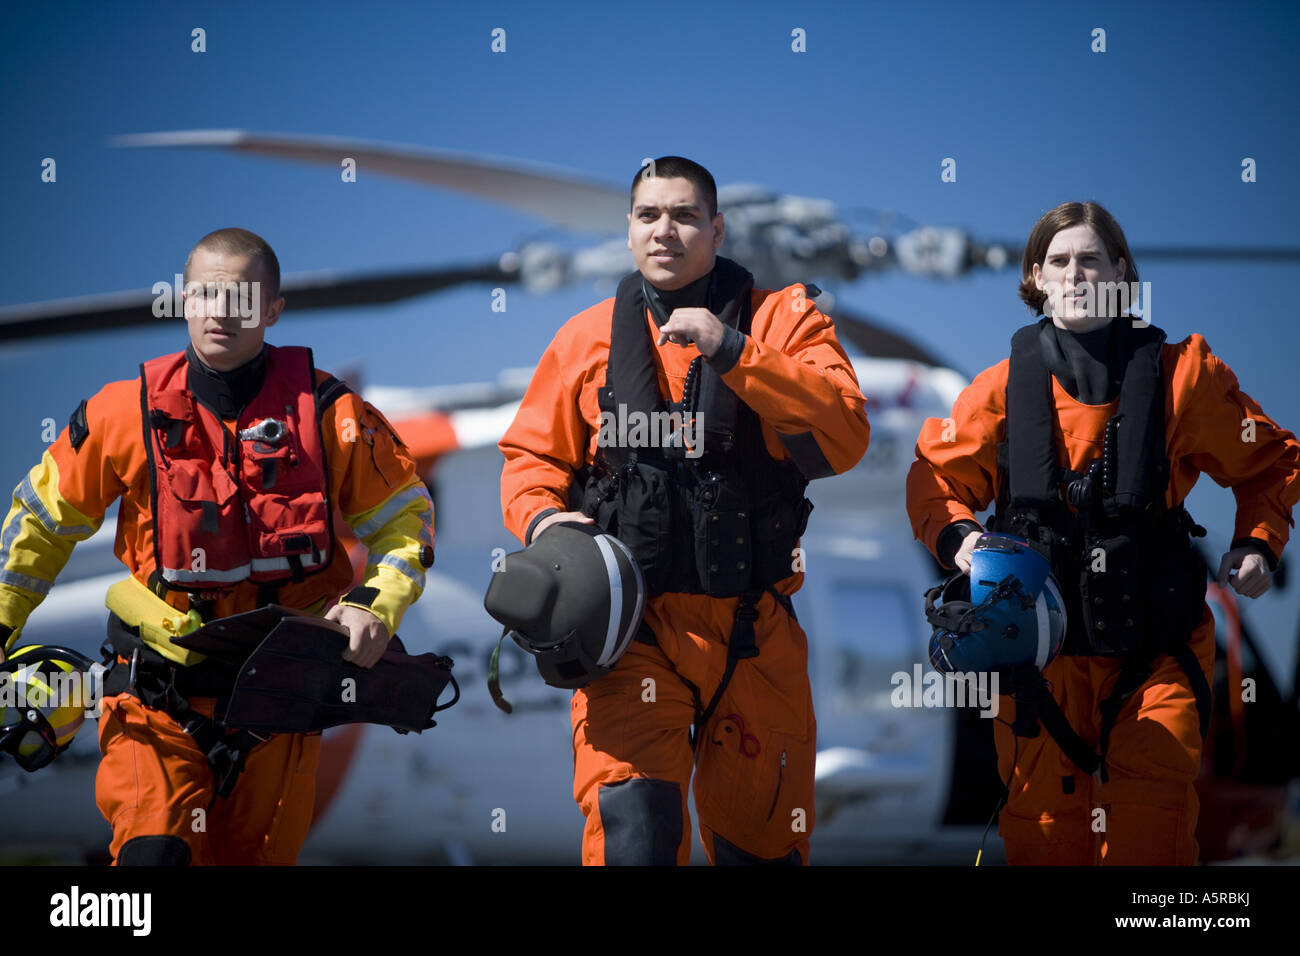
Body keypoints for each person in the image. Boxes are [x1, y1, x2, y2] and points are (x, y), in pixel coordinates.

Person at [0, 228, 435, 865]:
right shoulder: (124, 414)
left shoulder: (331, 416)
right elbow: (37, 525)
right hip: (157, 704)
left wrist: (375, 605)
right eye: (205, 293)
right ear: (182, 301)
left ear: (274, 310)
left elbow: (407, 521)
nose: (220, 311)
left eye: (241, 296)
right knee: (153, 863)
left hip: (278, 714)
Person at [498, 157, 871, 865]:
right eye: (648, 215)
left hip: (751, 632)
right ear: (629, 229)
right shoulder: (584, 339)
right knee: (633, 832)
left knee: (763, 846)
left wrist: (735, 352)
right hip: (628, 635)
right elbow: (530, 460)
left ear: (717, 228)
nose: (663, 230)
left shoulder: (782, 321)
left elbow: (845, 435)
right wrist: (544, 523)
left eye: (683, 215)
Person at [907, 201, 1300, 864]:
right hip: (1038, 671)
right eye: (1059, 261)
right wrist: (962, 542)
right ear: (1037, 277)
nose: (1076, 273)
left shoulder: (1186, 378)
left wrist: (1258, 542)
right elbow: (934, 481)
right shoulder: (998, 391)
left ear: (1121, 271)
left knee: (1152, 829)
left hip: (1155, 657)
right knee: (1044, 836)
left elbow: (1272, 461)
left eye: (1091, 259)